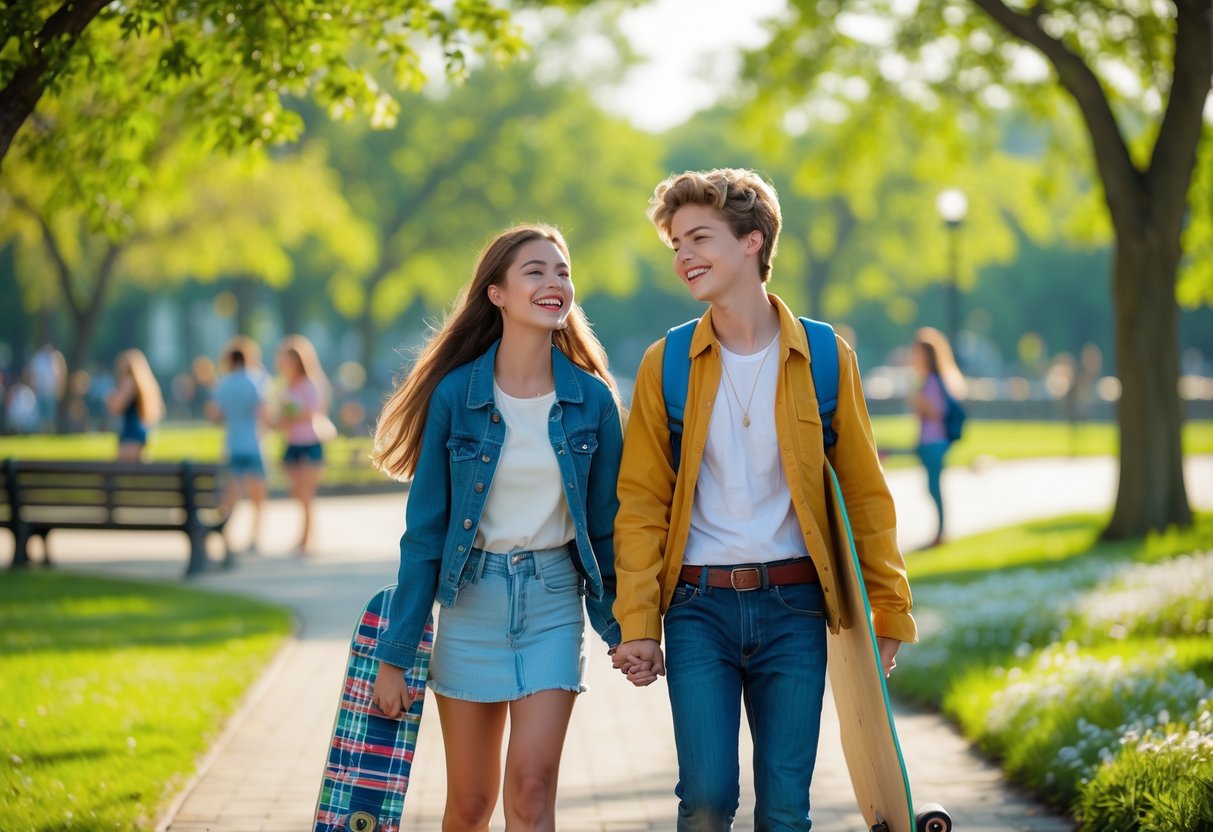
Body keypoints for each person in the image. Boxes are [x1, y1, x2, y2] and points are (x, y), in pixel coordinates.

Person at [612, 168, 917, 830]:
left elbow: (865, 494)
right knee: (707, 798)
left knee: (784, 806)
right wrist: (637, 623)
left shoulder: (824, 356)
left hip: (793, 609)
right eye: (674, 245)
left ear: (751, 242)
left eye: (698, 238)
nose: (683, 256)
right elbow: (639, 504)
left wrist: (887, 607)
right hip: (697, 610)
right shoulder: (663, 365)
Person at [369, 224, 627, 829]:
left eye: (562, 271)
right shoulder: (458, 396)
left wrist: (626, 627)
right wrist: (395, 656)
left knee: (532, 791)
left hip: (554, 602)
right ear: (497, 295)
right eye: (534, 272)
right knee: (470, 804)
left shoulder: (593, 401)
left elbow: (608, 529)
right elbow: (425, 534)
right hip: (471, 605)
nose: (554, 283)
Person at [270, 334, 331, 556]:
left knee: (306, 494)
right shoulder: (286, 387)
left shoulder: (309, 384)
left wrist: (291, 414)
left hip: (310, 442)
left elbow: (314, 411)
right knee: (297, 493)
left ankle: (306, 539)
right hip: (292, 444)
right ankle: (306, 535)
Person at [206, 338, 269, 555]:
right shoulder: (257, 380)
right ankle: (255, 537)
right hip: (253, 443)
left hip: (233, 443)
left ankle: (226, 536)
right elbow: (263, 413)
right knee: (257, 496)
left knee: (230, 495)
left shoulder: (225, 383)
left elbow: (215, 414)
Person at [908, 326, 966, 547]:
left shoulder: (932, 381)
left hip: (935, 441)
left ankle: (941, 531)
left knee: (934, 487)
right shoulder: (925, 380)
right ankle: (940, 530)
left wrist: (919, 401)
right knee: (931, 487)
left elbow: (937, 411)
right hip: (927, 441)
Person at [106, 349, 164, 462]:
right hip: (140, 432)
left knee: (124, 473)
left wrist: (109, 398)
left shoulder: (129, 382)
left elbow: (116, 407)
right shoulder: (145, 384)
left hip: (130, 434)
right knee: (137, 475)